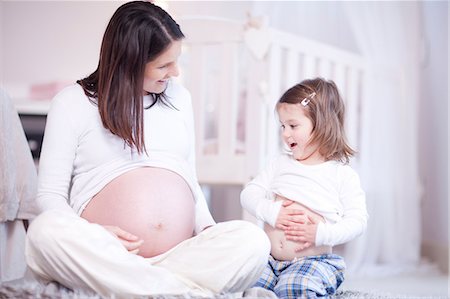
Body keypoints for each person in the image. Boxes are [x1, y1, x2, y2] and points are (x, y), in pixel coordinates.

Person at [25, 1, 270, 297]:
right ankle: (178, 291)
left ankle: (142, 288)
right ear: (130, 60)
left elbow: (189, 179)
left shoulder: (180, 99)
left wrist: (207, 230)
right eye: (164, 64)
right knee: (44, 232)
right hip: (107, 255)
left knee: (253, 240)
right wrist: (94, 233)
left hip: (177, 258)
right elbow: (50, 197)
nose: (175, 72)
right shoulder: (72, 102)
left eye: (176, 60)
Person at [240, 77, 368, 298]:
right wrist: (273, 212)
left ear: (322, 125)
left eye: (293, 126)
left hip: (314, 261)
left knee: (294, 289)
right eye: (282, 126)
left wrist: (322, 234)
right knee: (245, 285)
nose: (285, 133)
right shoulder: (280, 163)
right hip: (269, 259)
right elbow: (249, 194)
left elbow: (358, 221)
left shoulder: (341, 174)